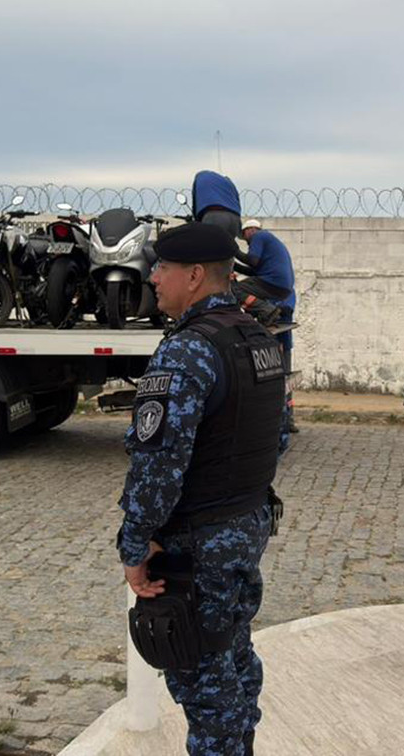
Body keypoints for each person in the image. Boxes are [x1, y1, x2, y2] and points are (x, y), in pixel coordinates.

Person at [118, 222, 285, 755]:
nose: (154, 280)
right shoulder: (258, 338)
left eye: (162, 269)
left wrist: (135, 543)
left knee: (205, 685)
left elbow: (158, 463)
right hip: (244, 524)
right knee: (233, 657)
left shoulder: (187, 350)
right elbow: (275, 437)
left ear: (193, 276)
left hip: (198, 543)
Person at [237, 219, 298, 435]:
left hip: (278, 338)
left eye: (244, 237)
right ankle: (284, 420)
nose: (246, 242)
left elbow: (252, 262)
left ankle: (286, 420)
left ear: (249, 230)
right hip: (269, 337)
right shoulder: (273, 274)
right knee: (278, 379)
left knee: (280, 379)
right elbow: (253, 270)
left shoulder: (260, 237)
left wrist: (233, 250)